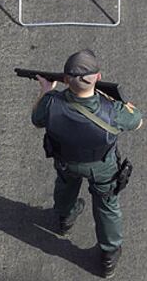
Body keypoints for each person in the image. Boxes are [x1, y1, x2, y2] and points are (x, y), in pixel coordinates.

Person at [31, 50, 143, 278]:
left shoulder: (52, 103)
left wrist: (45, 91)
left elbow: (36, 119)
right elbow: (138, 121)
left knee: (65, 186)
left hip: (66, 161)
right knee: (107, 205)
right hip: (102, 166)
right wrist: (113, 100)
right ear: (99, 77)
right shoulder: (113, 111)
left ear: (64, 79)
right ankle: (109, 256)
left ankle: (65, 218)